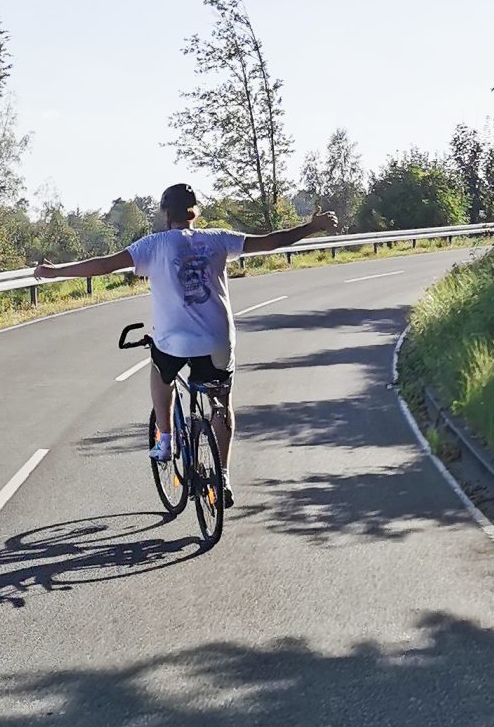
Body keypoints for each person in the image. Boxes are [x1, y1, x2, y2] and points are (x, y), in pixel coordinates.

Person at [36, 183, 337, 504]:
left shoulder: (153, 245)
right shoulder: (218, 238)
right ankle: (222, 477)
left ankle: (165, 440)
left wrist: (55, 273)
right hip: (217, 340)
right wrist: (312, 227)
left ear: (166, 214)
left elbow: (103, 265)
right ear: (196, 211)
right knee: (222, 403)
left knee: (158, 368)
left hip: (173, 343)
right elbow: (271, 242)